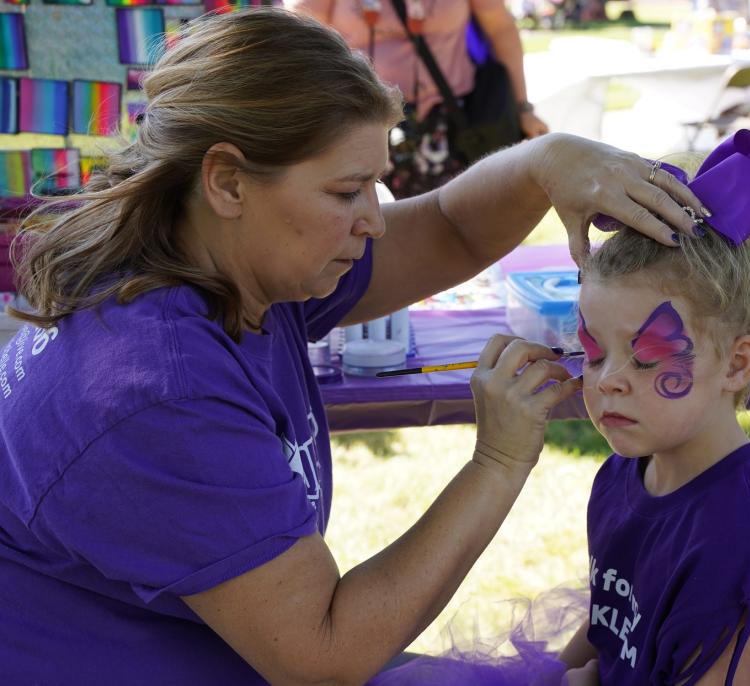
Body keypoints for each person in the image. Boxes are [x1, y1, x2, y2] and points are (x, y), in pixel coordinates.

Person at [0, 8, 708, 684]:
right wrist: (497, 461)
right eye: (347, 191)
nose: (373, 219)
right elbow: (325, 656)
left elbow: (448, 228)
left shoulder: (225, 260)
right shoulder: (158, 385)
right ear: (226, 182)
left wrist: (546, 163)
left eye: (376, 183)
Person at [368, 131, 750, 685]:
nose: (607, 381)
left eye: (649, 358)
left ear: (736, 364)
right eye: (594, 351)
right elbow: (608, 620)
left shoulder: (739, 560)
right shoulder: (624, 474)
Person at [285, 0, 549, 198]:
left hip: (452, 125)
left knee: (460, 232)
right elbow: (300, 37)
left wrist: (523, 107)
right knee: (370, 236)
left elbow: (501, 28)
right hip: (361, 121)